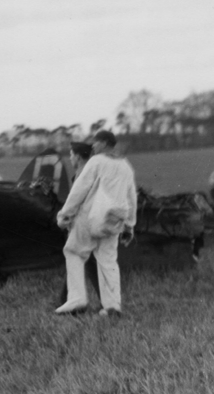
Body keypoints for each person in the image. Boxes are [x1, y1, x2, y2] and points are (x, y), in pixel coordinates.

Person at [56, 131, 137, 316]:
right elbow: (131, 196)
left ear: (105, 143)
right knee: (108, 261)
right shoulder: (125, 166)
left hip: (90, 217)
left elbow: (80, 188)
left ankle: (77, 299)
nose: (92, 146)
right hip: (114, 220)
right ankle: (112, 306)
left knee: (74, 252)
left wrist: (65, 214)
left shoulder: (96, 162)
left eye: (96, 142)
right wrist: (130, 224)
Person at [57, 141, 99, 306]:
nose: (70, 158)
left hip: (85, 223)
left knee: (76, 255)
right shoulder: (91, 172)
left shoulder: (84, 174)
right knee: (85, 260)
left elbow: (75, 201)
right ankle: (67, 300)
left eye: (71, 155)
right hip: (92, 222)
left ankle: (71, 302)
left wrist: (64, 218)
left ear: (79, 157)